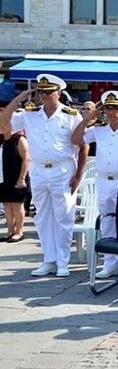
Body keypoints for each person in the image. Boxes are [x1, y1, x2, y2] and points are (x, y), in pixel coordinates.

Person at [0, 75, 87, 277]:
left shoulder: (71, 115)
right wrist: (17, 100)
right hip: (39, 170)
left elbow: (83, 145)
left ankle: (63, 262)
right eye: (41, 91)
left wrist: (79, 174)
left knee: (63, 216)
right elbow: (3, 124)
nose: (45, 95)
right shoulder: (30, 114)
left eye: (49, 91)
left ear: (58, 92)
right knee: (42, 216)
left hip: (63, 169)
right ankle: (49, 259)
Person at [71, 91, 118, 279]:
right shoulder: (99, 131)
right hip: (104, 180)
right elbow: (75, 139)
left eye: (116, 108)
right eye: (109, 108)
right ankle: (109, 263)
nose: (112, 112)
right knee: (107, 222)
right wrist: (88, 118)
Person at [0, 105, 30, 243]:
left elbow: (26, 160)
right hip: (4, 177)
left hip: (17, 177)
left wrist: (21, 179)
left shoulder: (19, 139)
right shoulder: (3, 140)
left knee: (17, 205)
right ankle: (10, 231)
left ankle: (19, 231)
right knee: (7, 205)